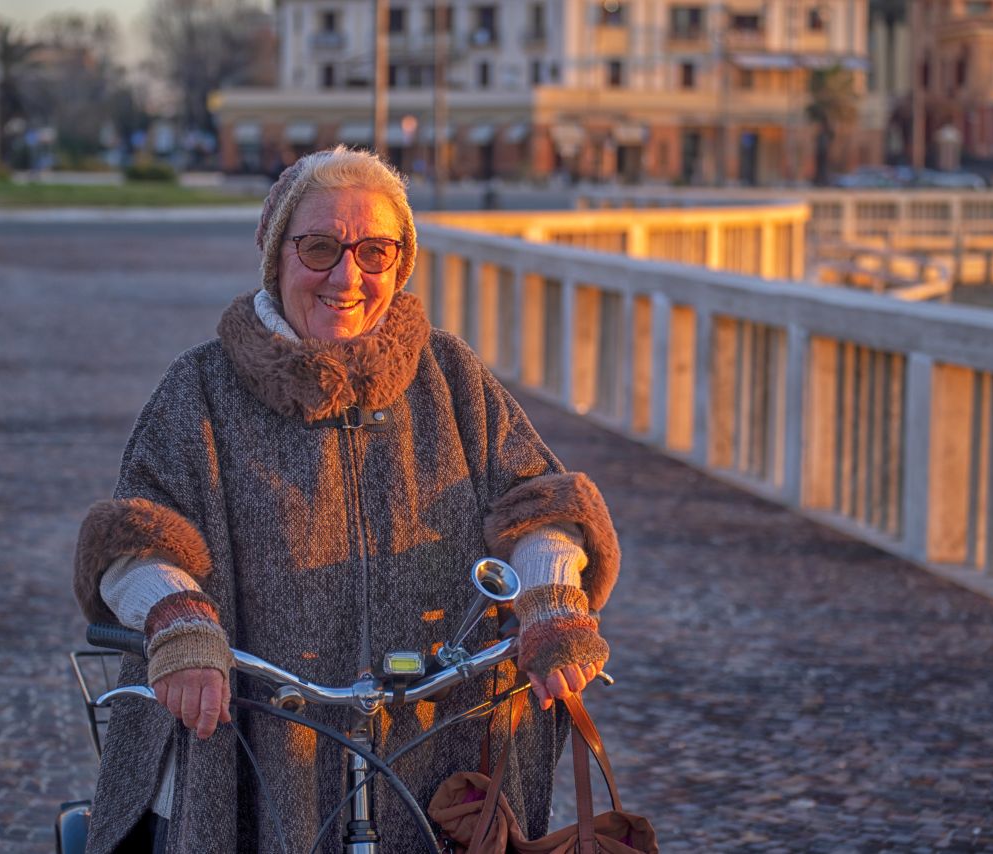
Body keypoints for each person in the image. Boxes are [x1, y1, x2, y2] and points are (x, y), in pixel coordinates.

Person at [72, 146, 620, 852]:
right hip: (255, 743)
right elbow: (134, 538)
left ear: (401, 262)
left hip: (442, 739)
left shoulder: (451, 377)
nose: (347, 275)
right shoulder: (200, 390)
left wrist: (549, 594)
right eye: (321, 247)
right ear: (277, 256)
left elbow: (541, 503)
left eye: (375, 251)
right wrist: (178, 618)